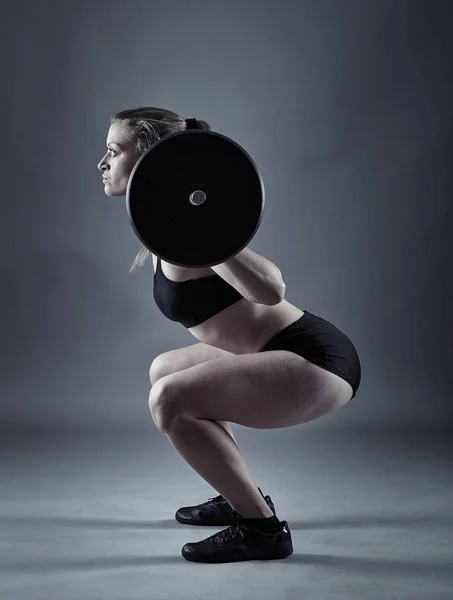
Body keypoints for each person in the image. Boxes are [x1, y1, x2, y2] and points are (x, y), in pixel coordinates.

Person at [97, 106, 362, 564]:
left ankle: (262, 529)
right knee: (164, 369)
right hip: (279, 354)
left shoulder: (195, 230)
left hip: (313, 359)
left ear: (148, 160)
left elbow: (271, 290)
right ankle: (239, 493)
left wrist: (211, 235)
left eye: (113, 151)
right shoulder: (166, 226)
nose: (102, 163)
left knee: (169, 399)